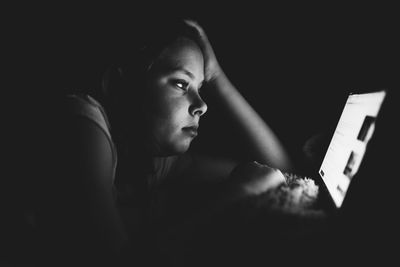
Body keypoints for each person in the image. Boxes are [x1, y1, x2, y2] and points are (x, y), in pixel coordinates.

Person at [37, 17, 293, 266]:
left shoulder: (154, 158)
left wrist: (217, 79)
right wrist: (238, 193)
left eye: (201, 88)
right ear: (123, 82)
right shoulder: (81, 127)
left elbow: (282, 172)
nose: (202, 105)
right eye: (181, 84)